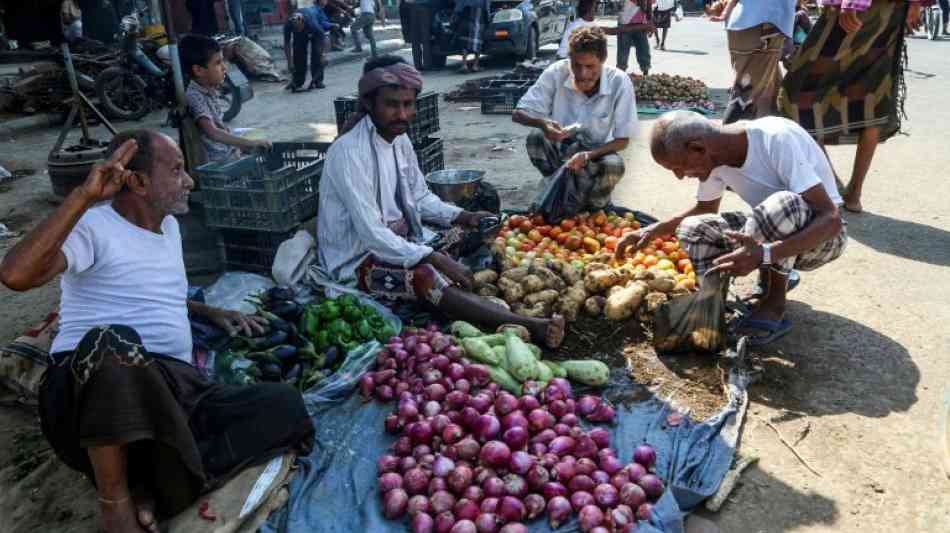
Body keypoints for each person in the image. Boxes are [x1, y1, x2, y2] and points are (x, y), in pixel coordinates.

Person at [0, 130, 315, 533]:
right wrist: (83, 196)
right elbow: (15, 274)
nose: (190, 181)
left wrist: (206, 310)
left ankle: (151, 487)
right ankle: (116, 504)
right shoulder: (92, 227)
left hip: (170, 398)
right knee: (113, 343)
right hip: (91, 397)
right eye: (178, 170)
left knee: (284, 405)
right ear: (139, 181)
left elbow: (152, 291)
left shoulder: (168, 228)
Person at [318, 55, 566, 348]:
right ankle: (531, 325)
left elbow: (419, 197)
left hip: (401, 238)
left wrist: (465, 216)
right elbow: (373, 235)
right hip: (357, 259)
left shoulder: (399, 140)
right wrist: (431, 256)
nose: (401, 113)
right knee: (424, 275)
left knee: (472, 228)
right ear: (369, 104)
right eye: (391, 104)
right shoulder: (349, 153)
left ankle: (460, 294)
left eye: (407, 104)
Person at [616, 111, 848, 345]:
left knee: (782, 205)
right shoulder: (713, 157)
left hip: (824, 237)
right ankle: (713, 305)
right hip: (770, 229)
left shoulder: (776, 140)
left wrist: (766, 254)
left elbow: (832, 218)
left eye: (679, 166)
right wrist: (653, 230)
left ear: (698, 148)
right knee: (694, 228)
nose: (679, 176)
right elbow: (705, 209)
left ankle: (773, 301)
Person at [778, 0, 922, 214]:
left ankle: (827, 184)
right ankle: (853, 192)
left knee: (796, 93)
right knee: (872, 90)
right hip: (894, 10)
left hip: (859, 9)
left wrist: (851, 3)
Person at [513, 26, 639, 212]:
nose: (582, 73)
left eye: (590, 66)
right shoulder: (557, 72)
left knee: (614, 165)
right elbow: (519, 112)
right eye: (576, 65)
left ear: (602, 60)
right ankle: (557, 190)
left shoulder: (619, 82)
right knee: (536, 138)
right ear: (569, 60)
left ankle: (596, 207)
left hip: (597, 152)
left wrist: (588, 155)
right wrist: (542, 123)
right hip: (561, 147)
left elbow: (622, 141)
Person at [181, 34, 271, 163]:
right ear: (199, 70)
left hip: (227, 149)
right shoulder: (194, 95)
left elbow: (221, 127)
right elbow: (213, 133)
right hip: (220, 158)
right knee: (258, 145)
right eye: (218, 63)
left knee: (259, 135)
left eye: (223, 61)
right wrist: (248, 144)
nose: (224, 67)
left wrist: (241, 144)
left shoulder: (208, 88)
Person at [708, 0, 795, 124]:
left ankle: (768, 130)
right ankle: (729, 129)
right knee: (751, 89)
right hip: (768, 24)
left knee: (762, 82)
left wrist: (725, 11)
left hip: (738, 22)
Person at [283, 1, 337, 91]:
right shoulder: (288, 25)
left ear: (303, 22)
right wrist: (289, 62)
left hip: (315, 34)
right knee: (298, 55)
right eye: (296, 29)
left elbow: (325, 38)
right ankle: (297, 81)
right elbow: (287, 43)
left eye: (299, 28)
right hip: (300, 36)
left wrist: (324, 55)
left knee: (317, 53)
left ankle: (318, 80)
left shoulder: (312, 24)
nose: (298, 30)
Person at [609, 0, 655, 76]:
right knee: (623, 52)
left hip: (641, 24)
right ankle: (620, 74)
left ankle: (645, 72)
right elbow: (643, 5)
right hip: (625, 22)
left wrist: (649, 22)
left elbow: (648, 6)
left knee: (643, 49)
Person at [453, 0, 489, 72]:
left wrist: (455, 14)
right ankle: (475, 66)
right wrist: (488, 19)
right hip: (480, 17)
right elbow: (487, 7)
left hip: (467, 16)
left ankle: (464, 65)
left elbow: (459, 6)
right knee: (478, 42)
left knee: (465, 42)